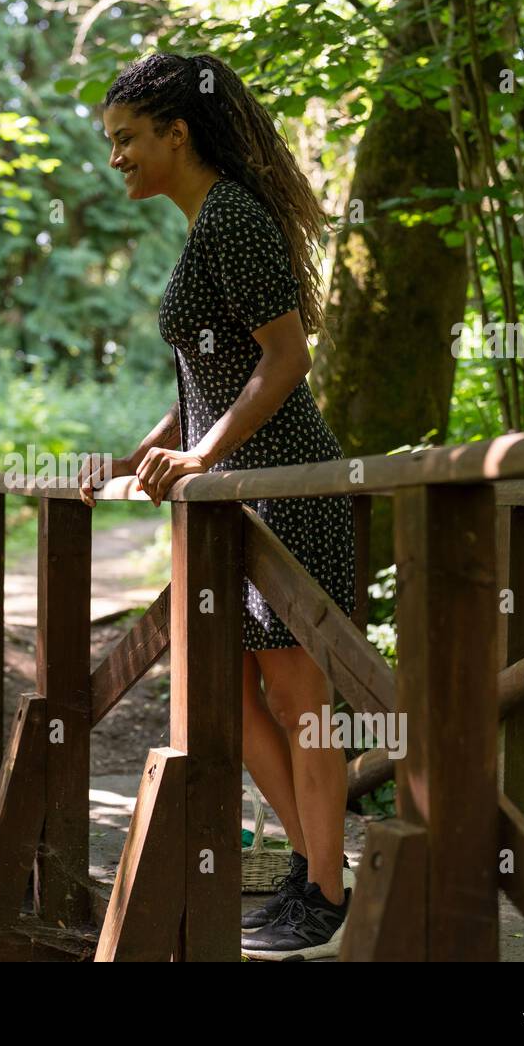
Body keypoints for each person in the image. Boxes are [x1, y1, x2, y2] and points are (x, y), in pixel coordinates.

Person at [77, 52, 357, 961]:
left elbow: (286, 358)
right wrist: (148, 448)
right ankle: (317, 867)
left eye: (125, 139)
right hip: (238, 492)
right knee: (231, 694)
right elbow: (210, 373)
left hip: (286, 489)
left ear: (176, 132)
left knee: (294, 692)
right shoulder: (205, 227)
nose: (115, 157)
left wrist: (202, 452)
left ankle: (324, 886)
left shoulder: (232, 217)